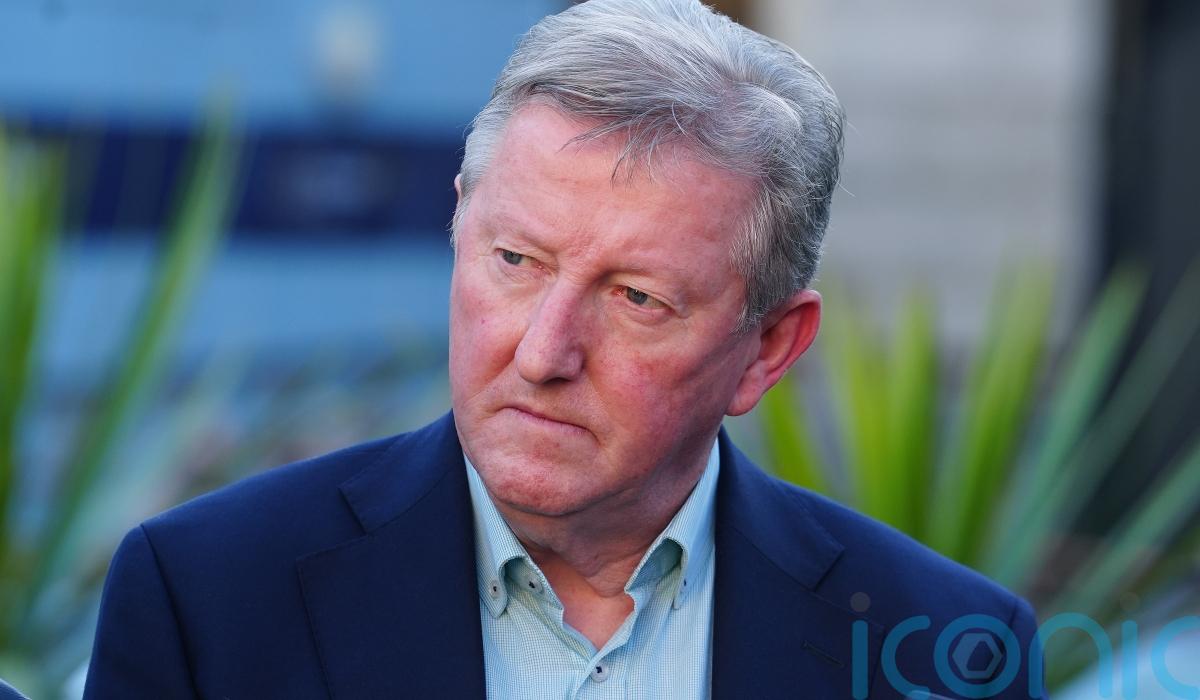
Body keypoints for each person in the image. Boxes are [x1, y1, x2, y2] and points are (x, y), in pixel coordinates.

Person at [84, 0, 1044, 698]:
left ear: (768, 349)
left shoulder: (947, 650)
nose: (543, 353)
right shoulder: (207, 597)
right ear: (459, 230)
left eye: (637, 298)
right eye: (515, 260)